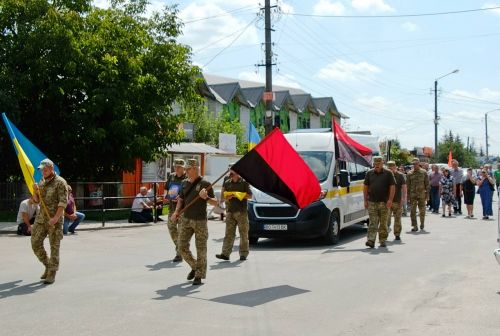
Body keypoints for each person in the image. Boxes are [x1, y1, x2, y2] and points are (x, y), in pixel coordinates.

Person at [171, 158, 218, 285]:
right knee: (181, 247)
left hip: (200, 221)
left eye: (188, 169)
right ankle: (195, 266)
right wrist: (176, 213)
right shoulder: (185, 183)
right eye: (186, 169)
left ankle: (199, 275)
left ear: (196, 169)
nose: (186, 171)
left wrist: (206, 197)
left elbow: (215, 202)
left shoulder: (205, 183)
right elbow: (181, 199)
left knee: (201, 248)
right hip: (186, 219)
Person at [31, 159, 68, 285]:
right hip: (41, 218)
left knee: (54, 247)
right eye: (41, 170)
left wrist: (56, 218)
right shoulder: (41, 182)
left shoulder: (60, 182)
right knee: (35, 243)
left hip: (55, 220)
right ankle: (47, 265)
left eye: (45, 169)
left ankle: (52, 272)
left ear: (51, 169)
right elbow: (36, 202)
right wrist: (35, 192)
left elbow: (63, 202)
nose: (43, 172)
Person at [216, 165, 252, 261]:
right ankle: (225, 254)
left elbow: (250, 196)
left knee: (243, 234)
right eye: (230, 172)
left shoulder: (244, 183)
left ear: (237, 173)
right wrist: (226, 197)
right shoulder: (227, 183)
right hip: (230, 211)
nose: (230, 174)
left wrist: (239, 195)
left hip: (241, 212)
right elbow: (223, 197)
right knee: (229, 234)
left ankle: (243, 254)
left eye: (232, 172)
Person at [363, 156, 395, 248]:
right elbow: (365, 187)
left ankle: (382, 240)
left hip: (384, 202)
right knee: (373, 222)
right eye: (375, 164)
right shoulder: (369, 173)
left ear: (382, 164)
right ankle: (371, 240)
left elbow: (392, 187)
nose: (376, 165)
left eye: (378, 164)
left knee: (383, 223)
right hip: (372, 202)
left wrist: (390, 200)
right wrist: (365, 200)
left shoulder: (388, 173)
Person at [165, 159, 187, 262]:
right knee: (171, 228)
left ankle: (179, 253)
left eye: (179, 167)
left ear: (184, 167)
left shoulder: (188, 178)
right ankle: (180, 247)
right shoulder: (171, 176)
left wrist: (181, 198)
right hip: (172, 208)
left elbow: (191, 193)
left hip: (183, 209)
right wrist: (168, 196)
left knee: (182, 231)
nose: (176, 168)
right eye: (175, 166)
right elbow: (166, 189)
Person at [406, 158, 430, 231]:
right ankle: (415, 226)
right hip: (412, 195)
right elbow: (408, 185)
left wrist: (428, 195)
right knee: (412, 211)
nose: (414, 165)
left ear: (418, 163)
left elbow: (427, 184)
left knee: (422, 210)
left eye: (416, 164)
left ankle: (422, 223)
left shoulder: (424, 172)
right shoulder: (409, 173)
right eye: (413, 164)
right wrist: (407, 196)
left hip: (422, 194)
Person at [386, 161, 406, 241]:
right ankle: (385, 234)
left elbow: (404, 187)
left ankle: (397, 234)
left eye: (392, 168)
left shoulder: (400, 175)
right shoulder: (385, 175)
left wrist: (403, 199)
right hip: (387, 201)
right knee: (386, 219)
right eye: (389, 168)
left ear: (395, 167)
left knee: (397, 219)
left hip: (397, 200)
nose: (391, 169)